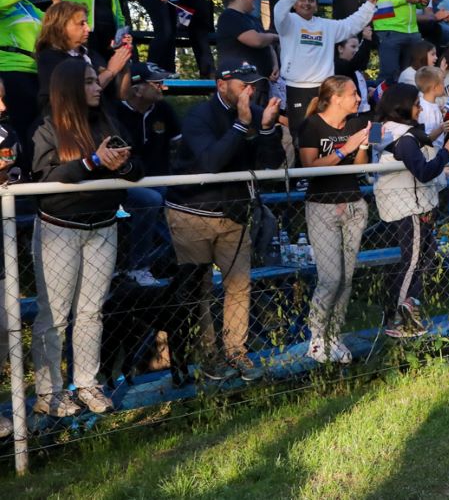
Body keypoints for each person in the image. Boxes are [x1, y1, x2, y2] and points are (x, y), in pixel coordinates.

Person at [30, 59, 143, 416]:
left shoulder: (108, 121)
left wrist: (122, 165)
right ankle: (49, 393)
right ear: (69, 89)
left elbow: (137, 170)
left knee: (92, 312)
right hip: (58, 232)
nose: (98, 88)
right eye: (90, 82)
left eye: (97, 81)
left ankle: (88, 385)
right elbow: (47, 181)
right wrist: (92, 162)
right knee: (55, 316)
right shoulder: (47, 128)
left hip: (104, 228)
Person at [166, 59, 285, 381]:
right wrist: (240, 125)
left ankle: (237, 352)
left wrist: (268, 129)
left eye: (253, 84)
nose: (251, 89)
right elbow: (209, 164)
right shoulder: (199, 117)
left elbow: (273, 164)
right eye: (244, 84)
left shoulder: (257, 111)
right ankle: (209, 357)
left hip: (234, 214)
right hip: (192, 213)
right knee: (200, 289)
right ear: (222, 85)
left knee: (238, 286)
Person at [372, 83, 449, 337]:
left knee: (422, 258)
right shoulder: (405, 138)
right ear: (402, 106)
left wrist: (433, 137)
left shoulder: (382, 128)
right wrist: (445, 152)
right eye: (416, 104)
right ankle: (399, 320)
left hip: (398, 204)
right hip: (410, 207)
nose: (420, 107)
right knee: (412, 262)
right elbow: (423, 171)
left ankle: (406, 311)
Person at [296, 76, 371, 363]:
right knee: (331, 278)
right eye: (353, 94)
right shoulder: (311, 125)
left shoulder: (354, 125)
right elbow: (309, 168)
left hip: (353, 205)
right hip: (322, 207)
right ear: (336, 98)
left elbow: (361, 168)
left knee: (347, 279)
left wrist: (361, 146)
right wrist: (345, 149)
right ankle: (316, 337)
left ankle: (334, 337)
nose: (358, 98)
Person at [276, 0, 377, 136]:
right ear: (294, 4)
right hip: (297, 88)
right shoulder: (287, 22)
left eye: (311, 0)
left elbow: (351, 24)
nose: (306, 3)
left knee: (324, 133)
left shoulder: (326, 25)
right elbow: (279, 12)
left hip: (323, 88)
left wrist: (369, 5)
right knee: (300, 134)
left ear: (316, 6)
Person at [117, 62, 181, 286]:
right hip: (123, 183)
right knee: (152, 200)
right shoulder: (116, 112)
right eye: (156, 83)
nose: (162, 88)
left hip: (160, 180)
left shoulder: (164, 109)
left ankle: (175, 261)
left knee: (179, 196)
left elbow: (179, 146)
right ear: (137, 88)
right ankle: (138, 266)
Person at [35, 0, 132, 116]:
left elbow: (122, 95)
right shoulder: (50, 58)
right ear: (61, 26)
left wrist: (123, 60)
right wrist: (110, 71)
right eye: (81, 23)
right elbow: (72, 95)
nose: (88, 28)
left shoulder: (92, 55)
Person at [0, 0, 45, 157]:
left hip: (36, 72)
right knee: (22, 130)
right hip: (12, 73)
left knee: (38, 130)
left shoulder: (25, 4)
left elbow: (54, 23)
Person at [214, 0, 279, 94]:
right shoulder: (229, 16)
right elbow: (257, 40)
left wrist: (275, 65)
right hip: (241, 84)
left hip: (261, 82)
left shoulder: (253, 19)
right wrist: (275, 37)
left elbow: (266, 44)